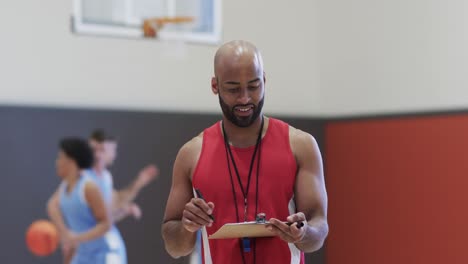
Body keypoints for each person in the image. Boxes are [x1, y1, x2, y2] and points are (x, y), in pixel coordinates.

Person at [161, 40, 328, 264]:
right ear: (215, 86)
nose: (245, 98)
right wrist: (187, 226)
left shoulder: (301, 145)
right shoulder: (191, 154)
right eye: (233, 88)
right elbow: (174, 247)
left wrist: (304, 232)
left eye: (253, 86)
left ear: (265, 81)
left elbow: (319, 227)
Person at [48, 130, 159, 263]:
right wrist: (66, 234)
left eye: (102, 150)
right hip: (84, 250)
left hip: (105, 249)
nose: (98, 154)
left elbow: (108, 215)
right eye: (94, 149)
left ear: (112, 153)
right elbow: (53, 206)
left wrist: (137, 186)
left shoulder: (105, 178)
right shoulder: (78, 179)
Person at [53, 137, 121, 263]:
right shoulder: (64, 186)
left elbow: (106, 224)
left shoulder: (88, 187)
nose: (57, 162)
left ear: (72, 161)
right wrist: (65, 233)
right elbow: (51, 207)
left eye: (60, 157)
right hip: (83, 253)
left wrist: (76, 237)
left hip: (106, 252)